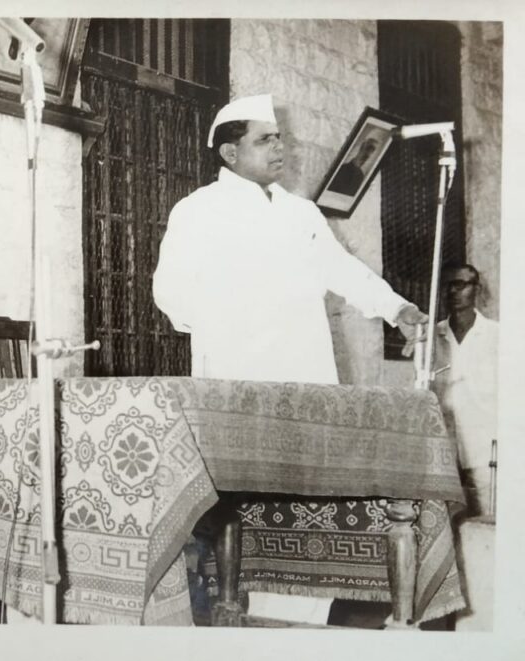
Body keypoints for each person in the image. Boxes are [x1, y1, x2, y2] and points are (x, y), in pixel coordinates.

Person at [152, 94, 428, 624]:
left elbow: (343, 271)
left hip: (304, 376)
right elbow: (169, 293)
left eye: (279, 137)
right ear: (230, 153)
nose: (279, 146)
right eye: (265, 139)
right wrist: (231, 315)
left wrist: (398, 309)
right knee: (240, 509)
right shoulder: (198, 211)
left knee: (305, 502)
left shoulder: (301, 212)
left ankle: (303, 625)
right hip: (238, 383)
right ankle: (236, 616)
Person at [431, 263, 499, 517]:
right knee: (446, 520)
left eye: (460, 285)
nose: (453, 291)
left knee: (489, 519)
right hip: (444, 450)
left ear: (476, 290)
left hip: (486, 448)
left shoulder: (497, 336)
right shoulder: (432, 336)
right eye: (448, 285)